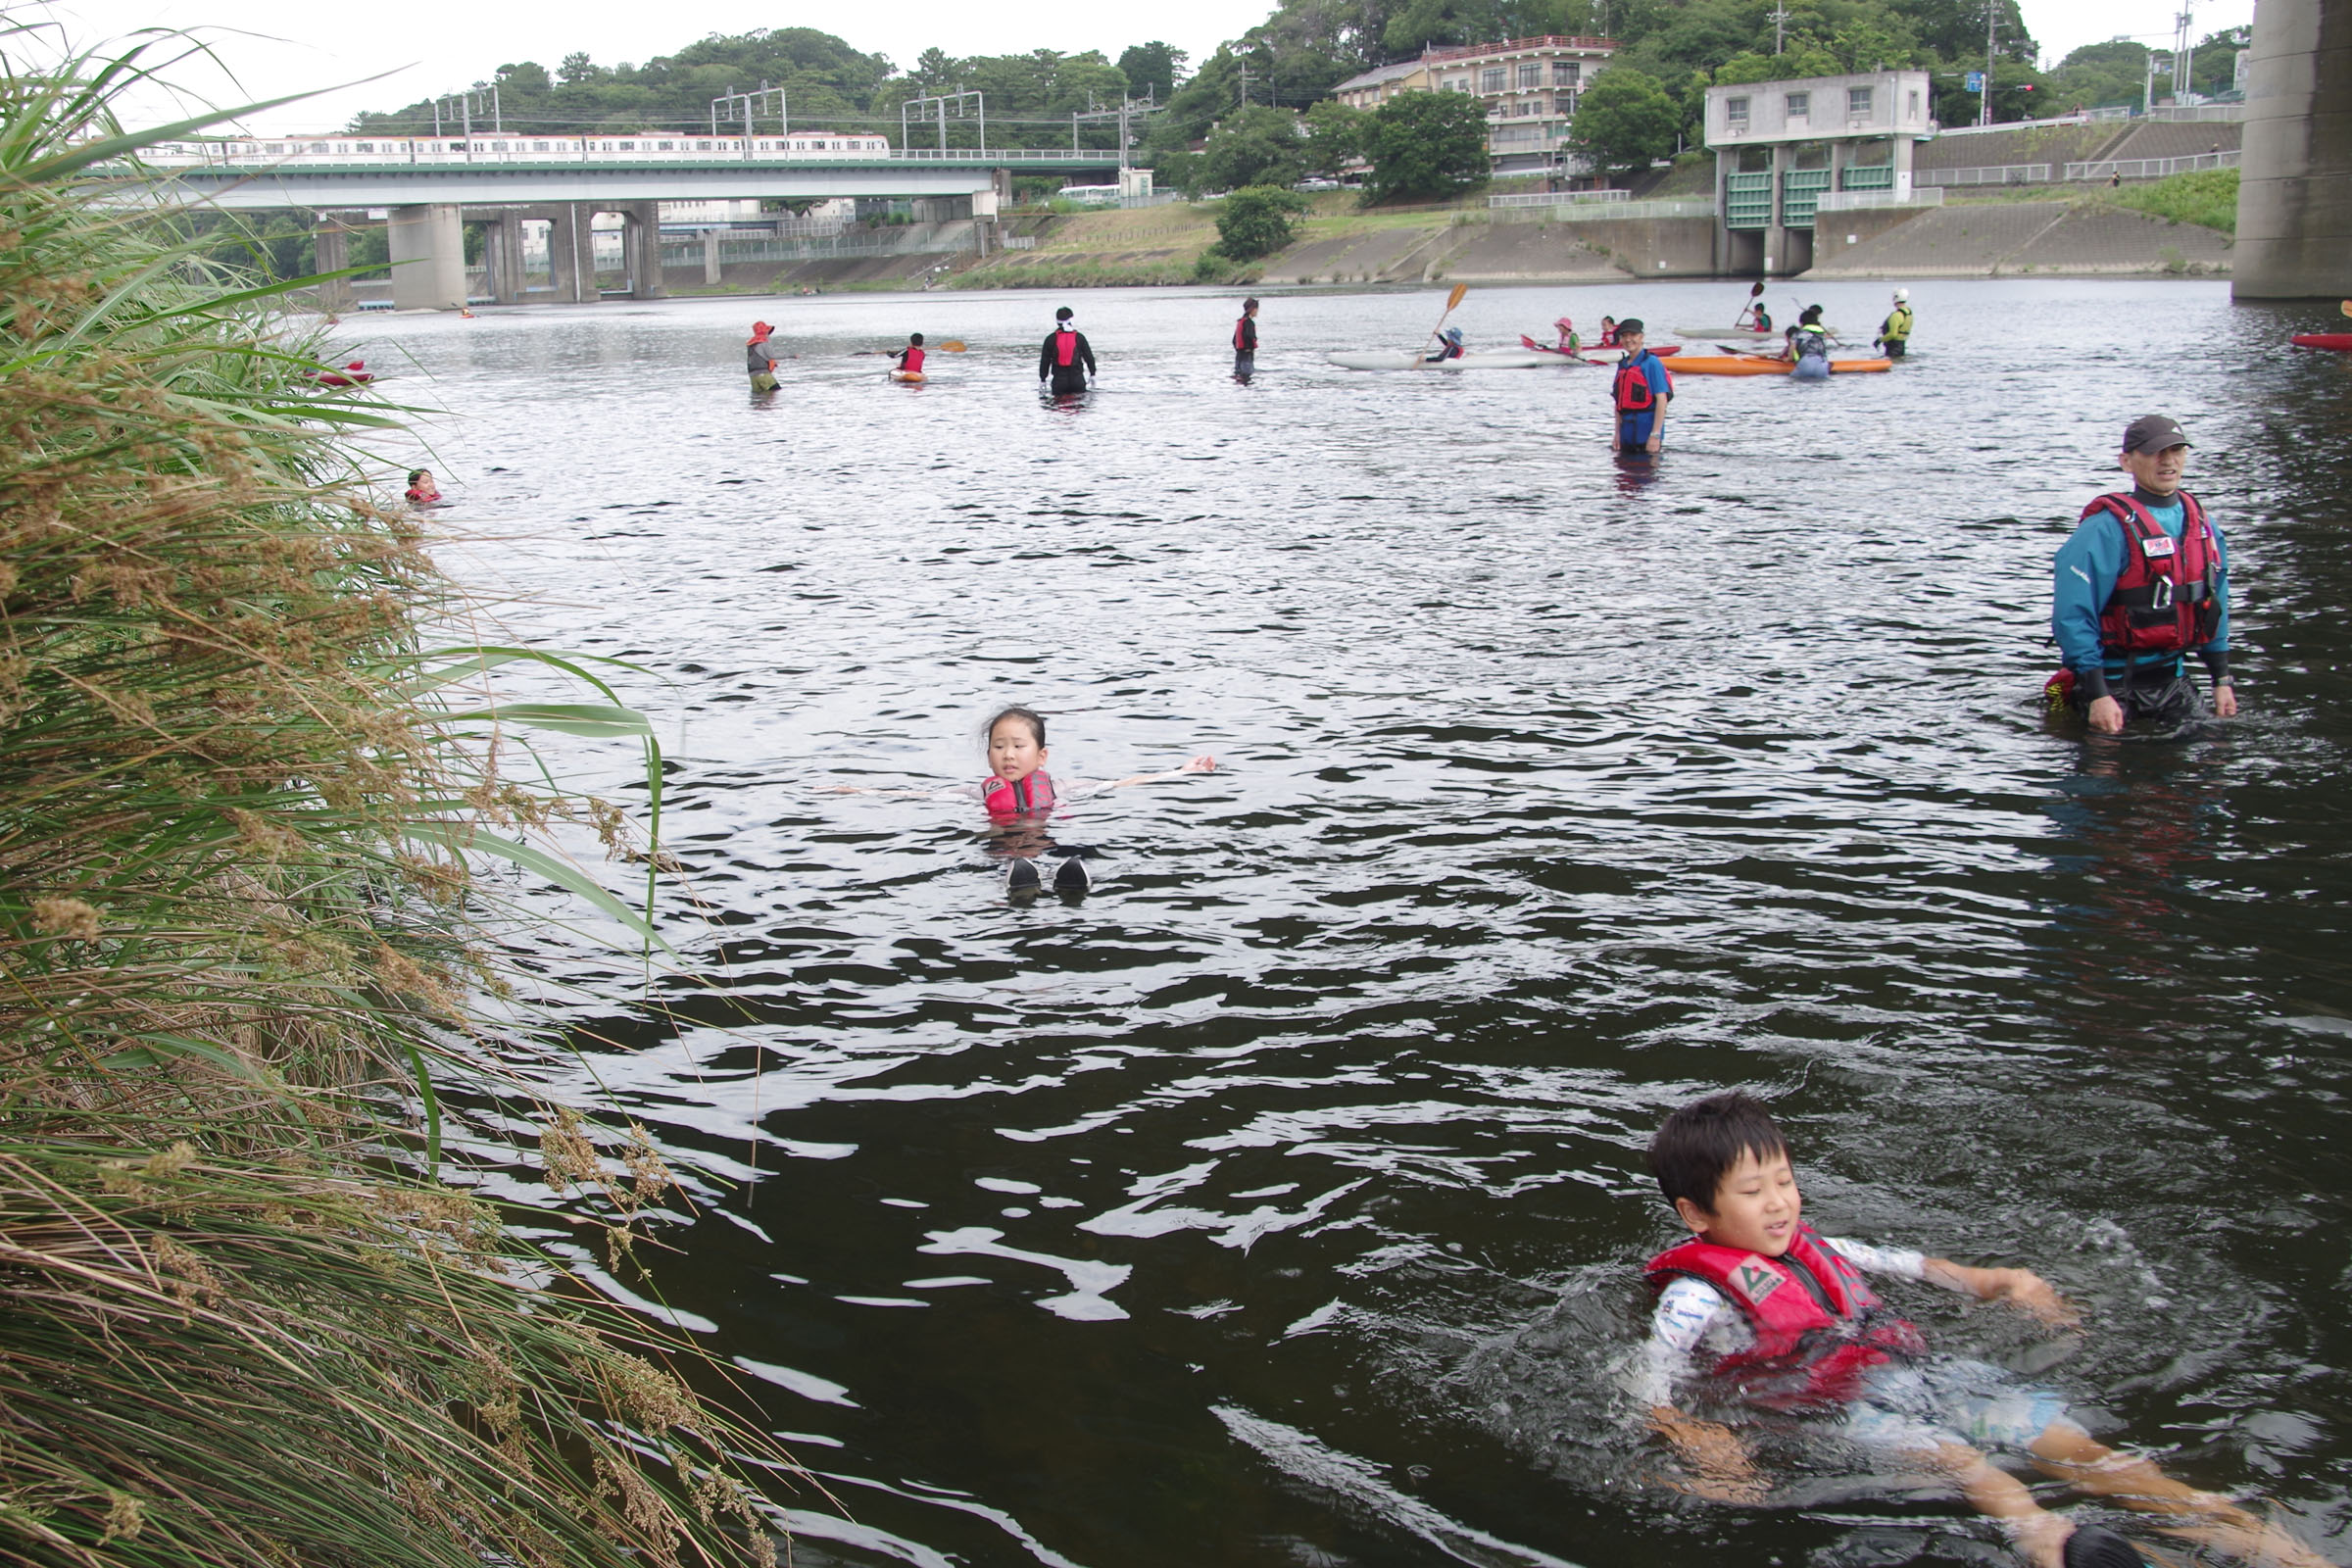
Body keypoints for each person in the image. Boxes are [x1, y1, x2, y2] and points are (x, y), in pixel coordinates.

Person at [1638, 1092, 2332, 1568]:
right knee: (1960, 1461)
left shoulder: (1826, 1251)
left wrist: (1999, 1280)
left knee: (2084, 1451)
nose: (1779, 1204)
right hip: (1832, 1408)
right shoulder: (1696, 1297)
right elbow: (1648, 1379)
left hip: (1911, 1374)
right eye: (1753, 1193)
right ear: (1697, 1215)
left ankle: (2255, 1539)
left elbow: (1922, 1266)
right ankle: (2050, 1542)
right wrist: (1697, 1437)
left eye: (1784, 1181)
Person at [830, 706, 1217, 897]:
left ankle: (1066, 882)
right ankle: (1020, 884)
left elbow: (1120, 783)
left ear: (1041, 756)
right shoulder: (976, 793)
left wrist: (1182, 771)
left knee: (1066, 855)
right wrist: (857, 791)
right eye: (999, 747)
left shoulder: (1062, 787)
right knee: (1006, 864)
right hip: (1001, 850)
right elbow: (918, 795)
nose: (1008, 755)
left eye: (1018, 746)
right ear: (989, 756)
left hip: (1047, 845)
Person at [2049, 414, 2235, 735]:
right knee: (2108, 776)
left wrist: (2221, 680)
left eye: (2177, 451)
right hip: (2111, 685)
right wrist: (2098, 695)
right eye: (2155, 452)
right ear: (2127, 462)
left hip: (2172, 681)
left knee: (2212, 760)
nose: (2169, 461)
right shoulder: (2104, 531)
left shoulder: (2204, 526)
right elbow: (2073, 616)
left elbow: (2217, 603)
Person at [1609, 318, 1671, 456]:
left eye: (1633, 335)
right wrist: (1617, 434)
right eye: (1624, 336)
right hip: (1626, 435)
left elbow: (1662, 399)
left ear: (1641, 337)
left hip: (1646, 434)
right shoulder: (1623, 365)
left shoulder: (1651, 363)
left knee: (1646, 474)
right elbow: (1618, 402)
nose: (1628, 340)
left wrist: (1655, 435)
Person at [1039, 306, 1096, 395]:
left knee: (1058, 406)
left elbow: (1045, 362)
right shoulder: (1079, 338)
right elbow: (1089, 358)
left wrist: (1043, 379)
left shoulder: (1051, 339)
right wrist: (1092, 374)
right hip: (1078, 381)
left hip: (1059, 383)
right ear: (1071, 320)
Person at [1785, 304, 1833, 379]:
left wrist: (1788, 359)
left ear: (1802, 323)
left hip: (1805, 365)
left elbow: (1792, 349)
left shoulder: (1797, 334)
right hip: (1822, 367)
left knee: (1791, 380)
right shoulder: (1822, 335)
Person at [1876, 288, 1914, 360]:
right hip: (1902, 345)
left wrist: (1879, 340)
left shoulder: (1896, 315)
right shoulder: (1909, 313)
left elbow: (1893, 334)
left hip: (1893, 347)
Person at [747, 320, 784, 391]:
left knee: (758, 398)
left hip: (752, 376)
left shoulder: (751, 344)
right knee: (776, 391)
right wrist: (772, 365)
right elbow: (771, 360)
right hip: (764, 375)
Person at [1233, 297, 1259, 379]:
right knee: (1247, 378)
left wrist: (1239, 350)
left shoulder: (1240, 321)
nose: (1257, 311)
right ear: (1252, 309)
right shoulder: (1249, 323)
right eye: (1256, 308)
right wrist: (1251, 348)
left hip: (1239, 356)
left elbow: (1234, 340)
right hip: (1247, 356)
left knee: (1239, 377)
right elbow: (1250, 336)